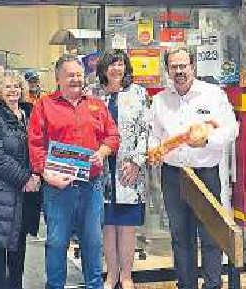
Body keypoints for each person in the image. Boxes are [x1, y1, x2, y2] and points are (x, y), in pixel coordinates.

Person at [148, 49, 238, 289]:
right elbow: (154, 134)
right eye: (174, 67)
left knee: (211, 235)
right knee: (180, 236)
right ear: (167, 70)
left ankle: (212, 285)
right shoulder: (160, 101)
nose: (179, 71)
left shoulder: (213, 94)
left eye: (183, 66)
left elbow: (231, 129)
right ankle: (186, 284)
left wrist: (208, 140)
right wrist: (154, 150)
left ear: (193, 66)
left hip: (205, 175)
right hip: (173, 176)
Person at [28, 54, 120, 289]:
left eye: (79, 75)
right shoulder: (44, 105)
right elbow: (36, 144)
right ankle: (55, 286)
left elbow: (113, 135)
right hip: (57, 188)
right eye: (70, 75)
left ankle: (94, 286)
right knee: (57, 243)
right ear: (58, 78)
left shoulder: (96, 104)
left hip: (92, 186)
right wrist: (46, 174)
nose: (76, 80)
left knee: (92, 242)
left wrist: (103, 151)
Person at [85, 49, 149, 289]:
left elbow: (145, 130)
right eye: (111, 65)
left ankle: (127, 276)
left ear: (126, 67)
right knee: (107, 224)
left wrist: (136, 161)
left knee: (126, 224)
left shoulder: (138, 93)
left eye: (120, 64)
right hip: (99, 167)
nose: (116, 69)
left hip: (127, 167)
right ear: (102, 69)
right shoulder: (92, 94)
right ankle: (111, 274)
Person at [0, 70, 42, 289]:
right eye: (7, 87)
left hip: (26, 193)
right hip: (1, 191)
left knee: (19, 246)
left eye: (17, 86)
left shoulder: (29, 113)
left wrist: (37, 175)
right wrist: (25, 179)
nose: (13, 90)